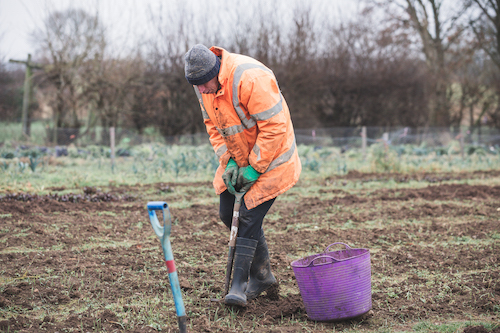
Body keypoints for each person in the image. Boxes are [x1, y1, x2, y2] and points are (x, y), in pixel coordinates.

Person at [184, 44, 301, 306]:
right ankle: (263, 275)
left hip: (273, 159)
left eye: (204, 84)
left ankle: (240, 286)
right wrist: (228, 163)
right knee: (228, 213)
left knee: (248, 213)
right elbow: (213, 126)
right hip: (240, 157)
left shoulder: (250, 77)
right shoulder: (203, 85)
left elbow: (275, 127)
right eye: (196, 85)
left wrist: (254, 167)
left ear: (216, 70)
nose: (201, 90)